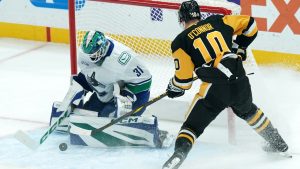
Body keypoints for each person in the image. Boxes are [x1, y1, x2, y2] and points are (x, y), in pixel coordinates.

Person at [162, 0, 289, 168]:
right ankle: (278, 142)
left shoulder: (180, 42)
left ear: (181, 20)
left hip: (215, 89)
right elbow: (251, 24)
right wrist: (240, 47)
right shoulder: (218, 20)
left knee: (192, 126)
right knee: (249, 110)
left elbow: (183, 81)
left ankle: (179, 153)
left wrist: (173, 87)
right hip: (240, 79)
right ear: (199, 15)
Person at [50, 30, 172, 148]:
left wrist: (127, 95)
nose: (91, 58)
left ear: (102, 48)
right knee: (88, 116)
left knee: (109, 117)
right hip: (105, 91)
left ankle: (145, 128)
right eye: (89, 54)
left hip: (134, 94)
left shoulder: (122, 58)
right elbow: (89, 75)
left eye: (94, 54)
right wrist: (78, 89)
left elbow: (146, 79)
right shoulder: (84, 55)